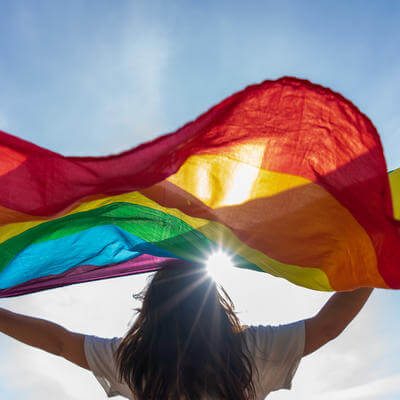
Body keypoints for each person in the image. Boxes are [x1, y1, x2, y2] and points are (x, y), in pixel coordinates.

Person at [0, 259, 373, 399]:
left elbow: (60, 343)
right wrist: (375, 266)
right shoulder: (251, 352)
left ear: (151, 308)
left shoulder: (135, 363)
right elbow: (327, 326)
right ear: (213, 302)